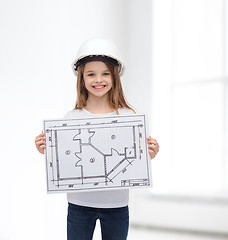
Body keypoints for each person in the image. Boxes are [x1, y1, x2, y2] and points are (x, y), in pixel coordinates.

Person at [35, 38, 159, 240]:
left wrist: (149, 154)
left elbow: (134, 160)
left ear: (115, 77)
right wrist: (46, 149)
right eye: (91, 74)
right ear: (81, 78)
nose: (98, 80)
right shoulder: (71, 118)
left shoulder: (128, 117)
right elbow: (65, 160)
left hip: (117, 205)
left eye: (105, 74)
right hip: (80, 205)